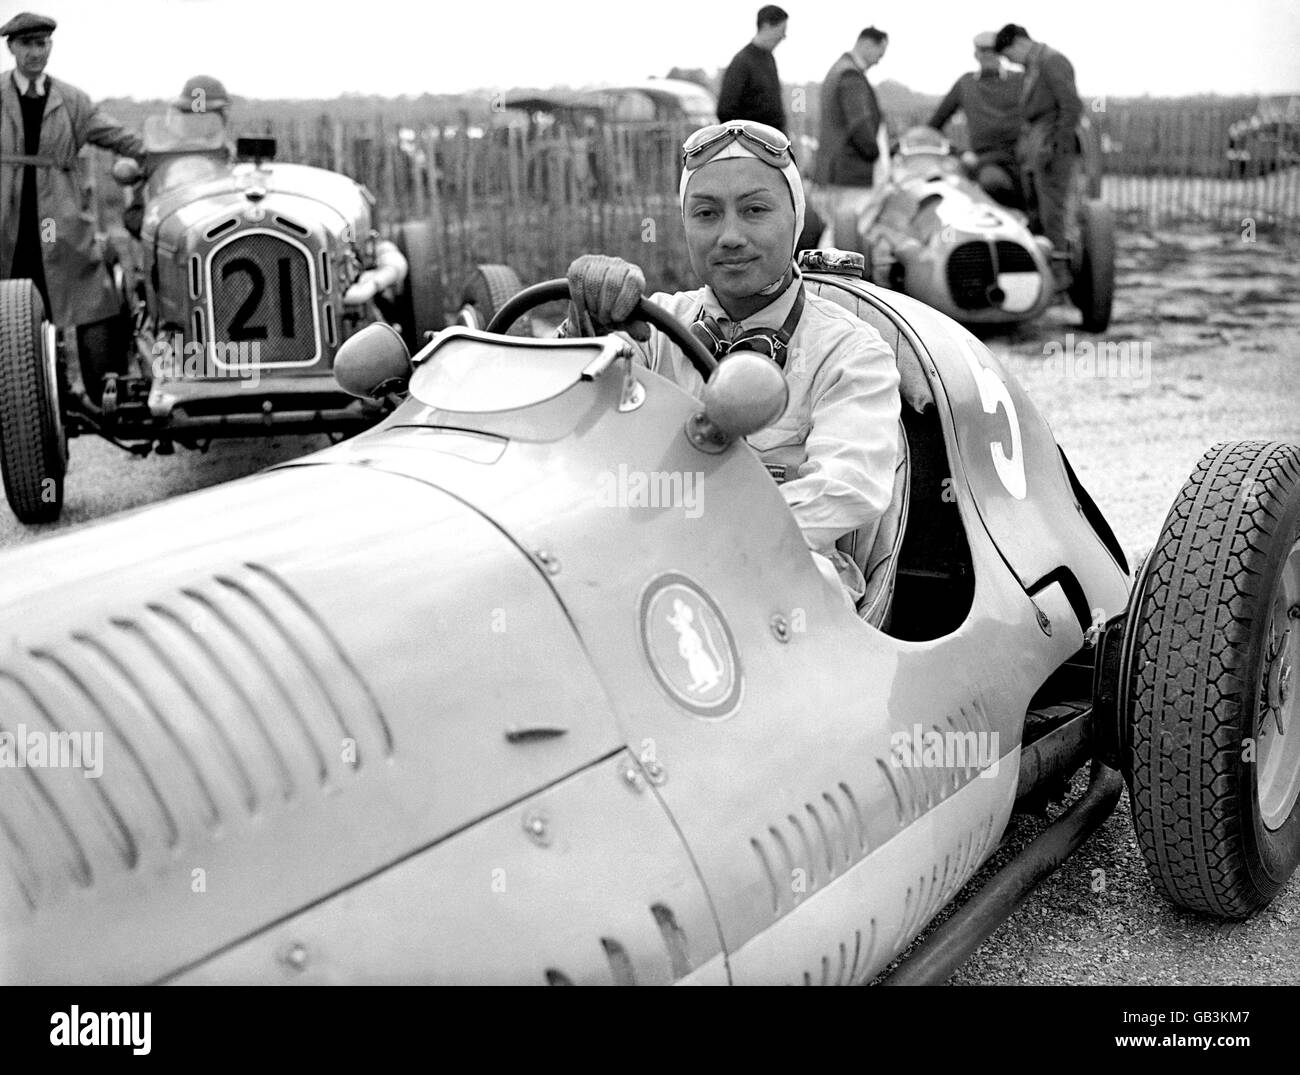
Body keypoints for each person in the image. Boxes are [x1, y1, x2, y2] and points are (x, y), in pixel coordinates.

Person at [563, 121, 901, 607]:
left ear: (796, 220)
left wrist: (693, 548)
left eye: (755, 210)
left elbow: (845, 489)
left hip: (781, 590)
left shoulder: (851, 352)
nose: (730, 236)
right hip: (638, 576)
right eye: (706, 214)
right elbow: (567, 432)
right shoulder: (649, 326)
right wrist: (584, 329)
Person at [0, 11, 144, 404]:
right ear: (11, 47)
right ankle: (17, 389)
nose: (36, 52)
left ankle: (65, 383)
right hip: (6, 217)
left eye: (42, 44)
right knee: (12, 293)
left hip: (54, 218)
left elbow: (118, 136)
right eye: (27, 44)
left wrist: (159, 156)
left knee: (72, 287)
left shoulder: (72, 101)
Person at [993, 23, 1082, 274]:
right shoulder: (1035, 65)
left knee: (1054, 213)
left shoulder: (1052, 61)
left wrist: (1056, 148)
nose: (1011, 62)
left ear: (1019, 43)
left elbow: (1071, 106)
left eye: (1009, 55)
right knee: (1039, 211)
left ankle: (1060, 271)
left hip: (1051, 148)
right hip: (1038, 147)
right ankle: (1047, 267)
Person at [928, 31, 1024, 207]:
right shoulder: (966, 84)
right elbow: (934, 126)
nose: (988, 56)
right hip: (987, 161)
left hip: (1022, 158)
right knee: (992, 184)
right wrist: (960, 153)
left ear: (1001, 54)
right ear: (976, 55)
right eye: (983, 52)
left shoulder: (1019, 80)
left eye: (993, 51)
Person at [812, 27, 890, 232]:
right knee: (845, 238)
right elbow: (859, 124)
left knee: (838, 233)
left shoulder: (839, 69)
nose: (879, 60)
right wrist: (875, 155)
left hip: (836, 171)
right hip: (851, 173)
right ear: (866, 44)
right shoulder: (851, 76)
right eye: (879, 53)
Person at [716, 6, 789, 134]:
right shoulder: (741, 62)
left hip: (771, 146)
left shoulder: (770, 59)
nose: (783, 36)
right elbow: (725, 111)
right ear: (766, 26)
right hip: (752, 148)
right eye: (782, 30)